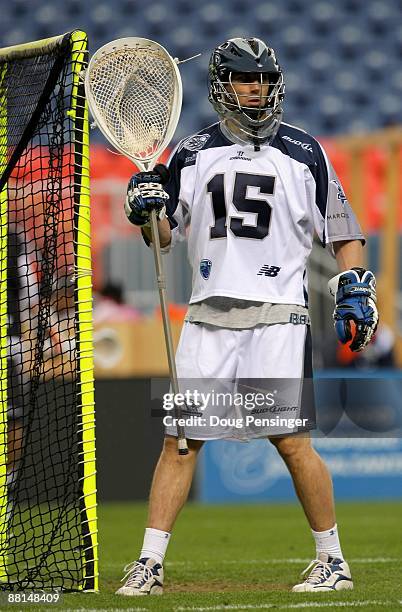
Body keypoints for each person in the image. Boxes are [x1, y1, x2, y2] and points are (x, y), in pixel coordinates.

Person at [117, 37, 378, 595]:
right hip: (208, 316)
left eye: (262, 78)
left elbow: (344, 231)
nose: (256, 89)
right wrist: (146, 210)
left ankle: (332, 561)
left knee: (290, 440)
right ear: (221, 84)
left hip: (278, 316)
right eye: (244, 78)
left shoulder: (305, 152)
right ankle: (149, 564)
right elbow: (162, 238)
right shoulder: (190, 153)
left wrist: (355, 286)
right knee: (181, 440)